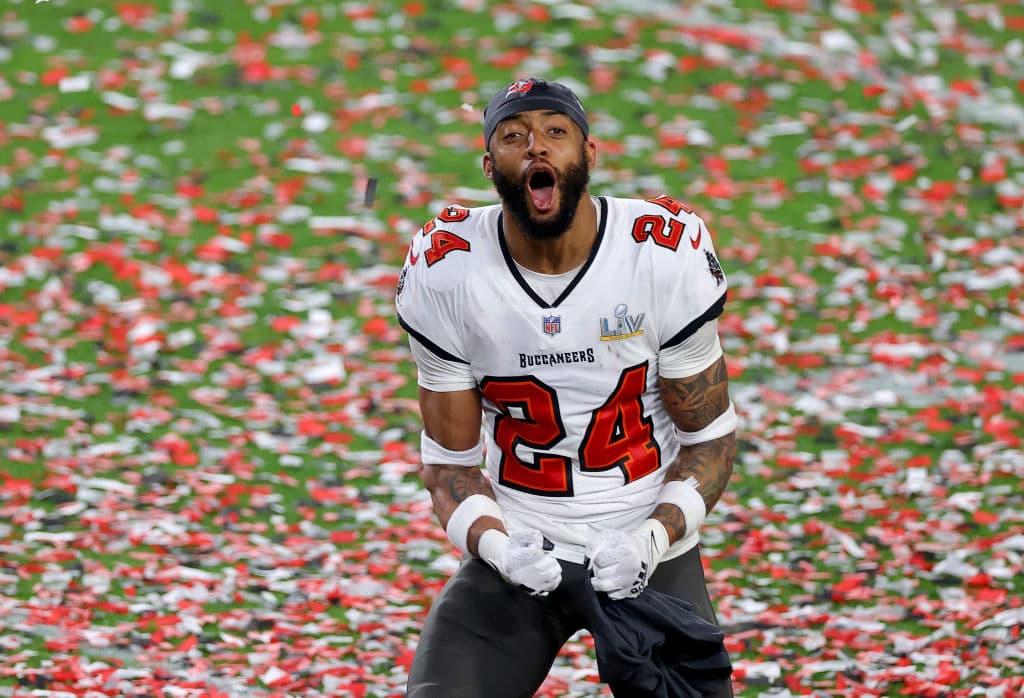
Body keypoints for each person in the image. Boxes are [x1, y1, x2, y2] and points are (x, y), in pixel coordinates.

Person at [395, 77, 737, 697]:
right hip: (526, 539)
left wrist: (650, 538)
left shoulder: (658, 254)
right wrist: (500, 548)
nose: (535, 148)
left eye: (555, 132)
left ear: (589, 153)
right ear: (488, 164)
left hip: (645, 544)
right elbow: (448, 467)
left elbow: (710, 441)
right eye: (513, 136)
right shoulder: (447, 269)